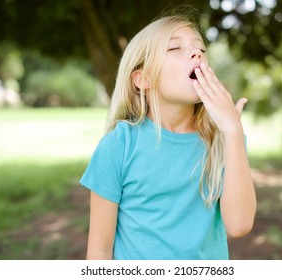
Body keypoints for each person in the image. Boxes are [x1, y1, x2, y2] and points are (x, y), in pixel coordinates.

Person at [80, 13, 256, 260]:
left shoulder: (226, 140)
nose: (197, 53)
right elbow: (99, 250)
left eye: (201, 49)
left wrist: (234, 131)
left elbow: (240, 225)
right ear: (143, 79)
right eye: (174, 47)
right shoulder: (119, 145)